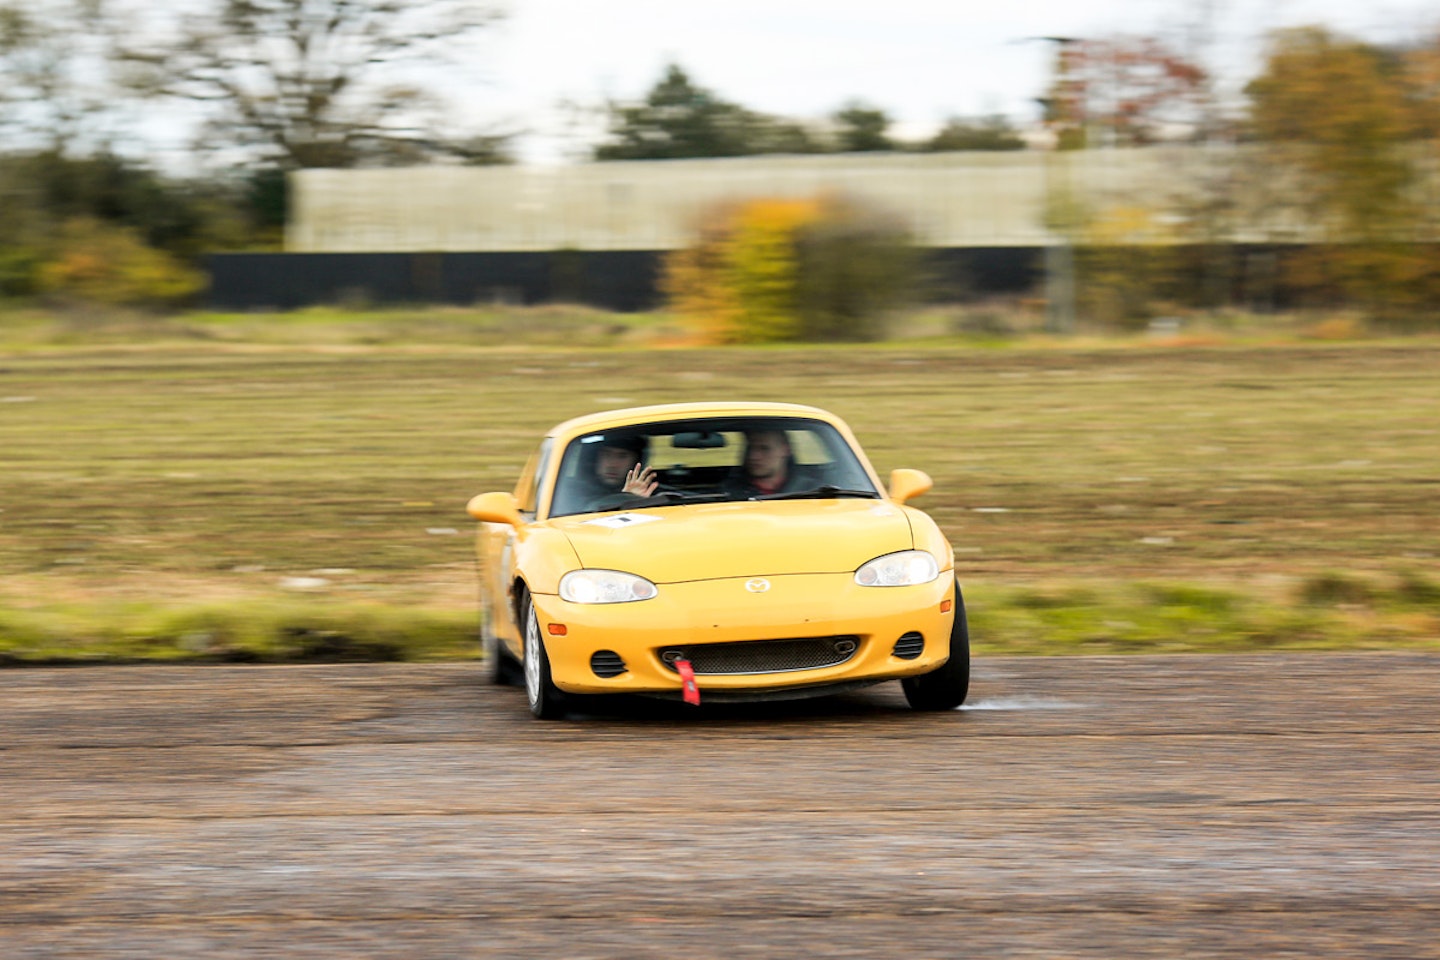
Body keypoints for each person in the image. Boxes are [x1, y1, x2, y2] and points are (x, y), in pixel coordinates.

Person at [572, 433, 658, 511]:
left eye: (622, 456)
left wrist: (637, 500)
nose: (612, 464)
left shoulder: (653, 493)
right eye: (607, 455)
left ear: (635, 462)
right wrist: (626, 499)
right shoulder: (572, 493)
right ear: (596, 459)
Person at [724, 428, 813, 498]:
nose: (753, 456)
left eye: (764, 449)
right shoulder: (729, 494)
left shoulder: (812, 489)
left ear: (785, 450)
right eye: (750, 448)